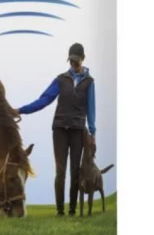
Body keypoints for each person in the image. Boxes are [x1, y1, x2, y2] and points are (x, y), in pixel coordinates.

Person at [17, 43, 96, 216]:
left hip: (77, 130)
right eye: (71, 61)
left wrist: (92, 133)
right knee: (60, 171)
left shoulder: (89, 82)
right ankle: (60, 211)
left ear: (83, 59)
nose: (73, 64)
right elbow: (44, 100)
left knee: (75, 171)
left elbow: (91, 109)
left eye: (76, 61)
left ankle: (72, 210)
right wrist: (21, 110)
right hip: (60, 129)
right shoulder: (61, 79)